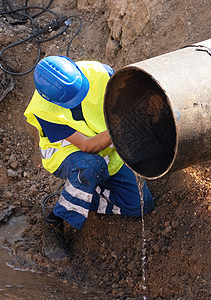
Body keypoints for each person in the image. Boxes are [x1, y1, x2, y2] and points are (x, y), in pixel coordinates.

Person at [24, 55, 154, 263]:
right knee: (89, 167)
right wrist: (120, 128)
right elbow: (87, 146)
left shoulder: (100, 73)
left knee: (140, 206)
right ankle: (54, 221)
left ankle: (79, 192)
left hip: (108, 152)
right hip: (69, 156)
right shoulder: (43, 110)